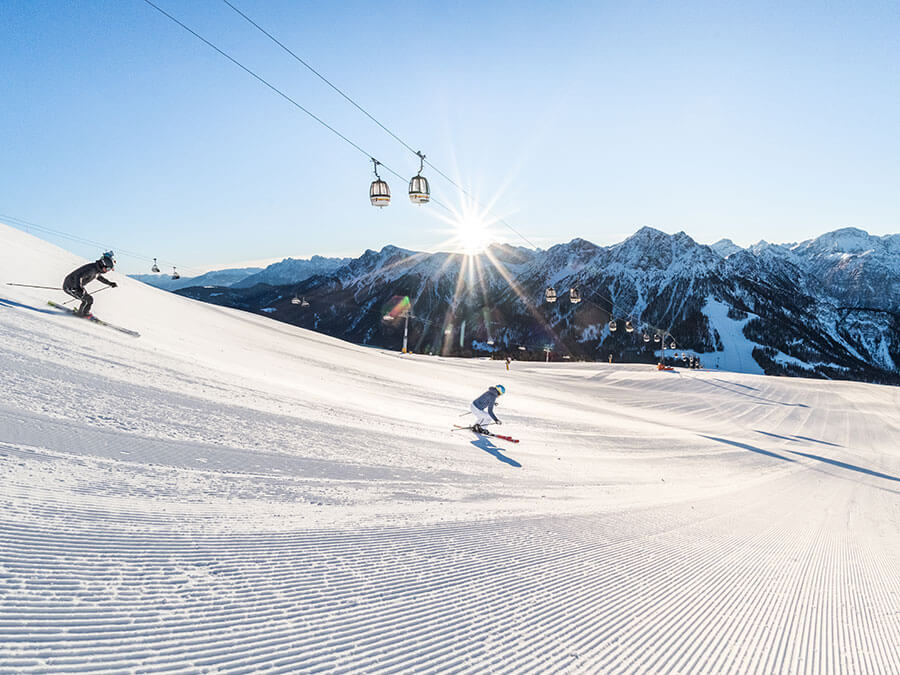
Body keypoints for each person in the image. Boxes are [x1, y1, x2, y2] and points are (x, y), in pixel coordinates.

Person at [63, 251, 118, 317]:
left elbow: (99, 278)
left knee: (89, 299)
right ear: (103, 264)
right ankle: (81, 314)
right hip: (70, 286)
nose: (107, 271)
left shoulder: (96, 270)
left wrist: (110, 283)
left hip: (76, 286)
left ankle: (83, 313)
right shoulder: (92, 269)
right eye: (108, 269)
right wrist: (79, 288)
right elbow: (78, 276)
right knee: (87, 300)